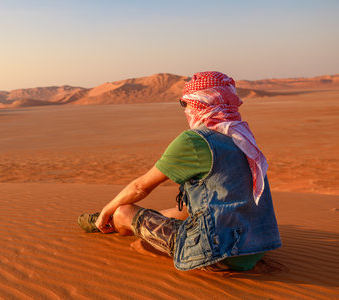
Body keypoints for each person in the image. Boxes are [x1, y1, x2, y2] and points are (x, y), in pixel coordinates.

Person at [78, 71, 281, 271]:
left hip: (221, 253)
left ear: (199, 102)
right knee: (185, 211)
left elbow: (140, 187)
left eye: (184, 103)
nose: (184, 109)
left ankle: (108, 222)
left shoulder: (195, 141)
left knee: (123, 212)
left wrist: (107, 210)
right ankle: (111, 220)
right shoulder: (241, 135)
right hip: (256, 246)